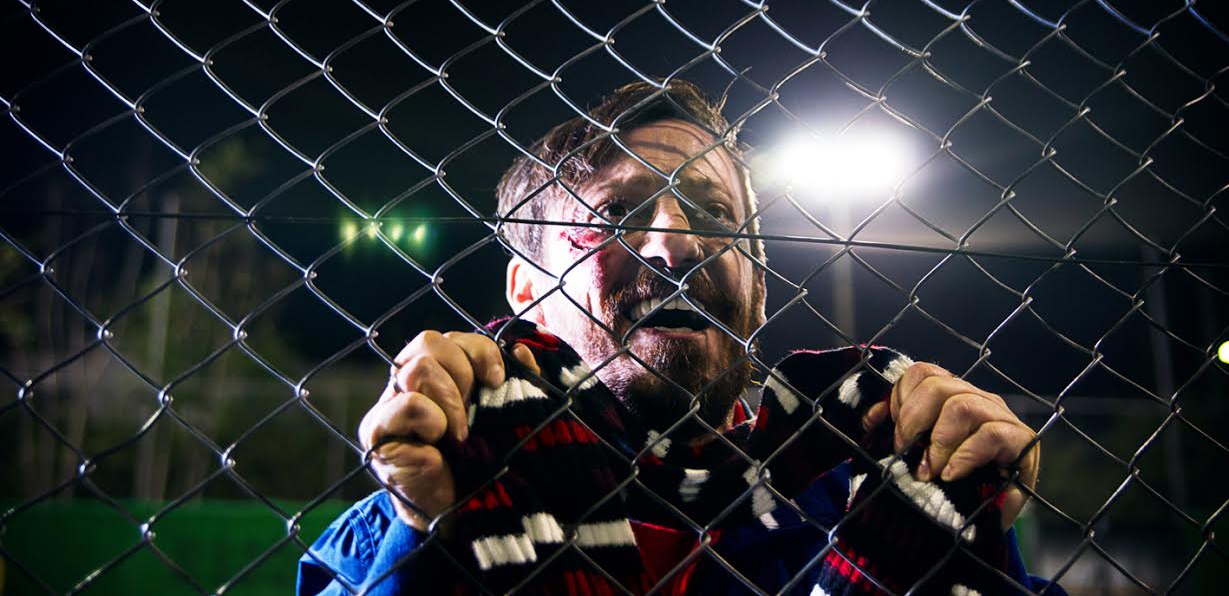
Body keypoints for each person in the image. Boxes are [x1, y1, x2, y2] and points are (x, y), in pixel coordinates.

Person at [298, 80, 1060, 595]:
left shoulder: (887, 489)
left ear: (758, 286)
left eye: (715, 214)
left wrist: (977, 518)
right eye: (616, 213)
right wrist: (428, 537)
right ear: (526, 289)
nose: (677, 244)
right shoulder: (406, 518)